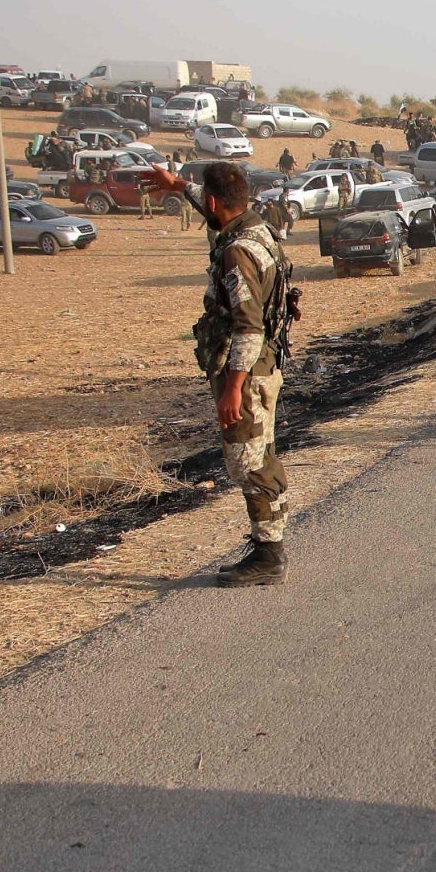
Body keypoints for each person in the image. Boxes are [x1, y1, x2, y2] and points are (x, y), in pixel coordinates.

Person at [147, 158, 299, 585]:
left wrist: (232, 389)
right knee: (260, 456)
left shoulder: (238, 252)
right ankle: (270, 543)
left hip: (247, 374)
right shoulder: (257, 227)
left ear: (216, 201)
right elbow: (218, 209)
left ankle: (269, 555)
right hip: (262, 368)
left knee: (249, 462)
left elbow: (248, 326)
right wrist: (179, 186)